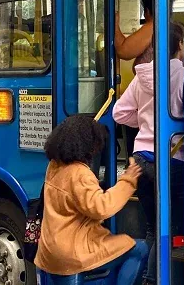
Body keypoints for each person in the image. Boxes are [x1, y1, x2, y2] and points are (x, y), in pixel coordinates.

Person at [112, 22, 184, 285]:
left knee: (153, 229)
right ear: (180, 45)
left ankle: (144, 278)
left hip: (141, 159)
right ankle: (154, 280)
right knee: (171, 230)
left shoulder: (141, 76)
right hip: (173, 161)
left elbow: (119, 113)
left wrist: (144, 123)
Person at [35, 115, 147, 285]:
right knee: (138, 248)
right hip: (72, 255)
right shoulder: (79, 173)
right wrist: (128, 180)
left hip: (49, 252)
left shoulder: (54, 165)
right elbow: (102, 208)